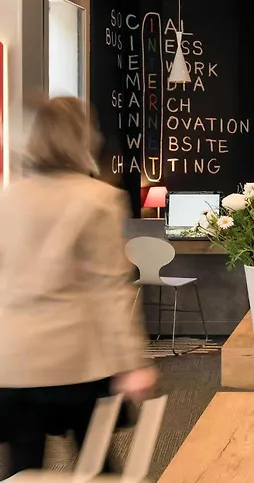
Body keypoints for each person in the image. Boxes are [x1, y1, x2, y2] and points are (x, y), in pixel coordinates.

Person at [0, 96, 157, 476]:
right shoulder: (99, 200)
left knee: (22, 469)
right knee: (98, 465)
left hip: (14, 361)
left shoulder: (8, 198)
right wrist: (131, 363)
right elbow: (110, 292)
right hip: (77, 360)